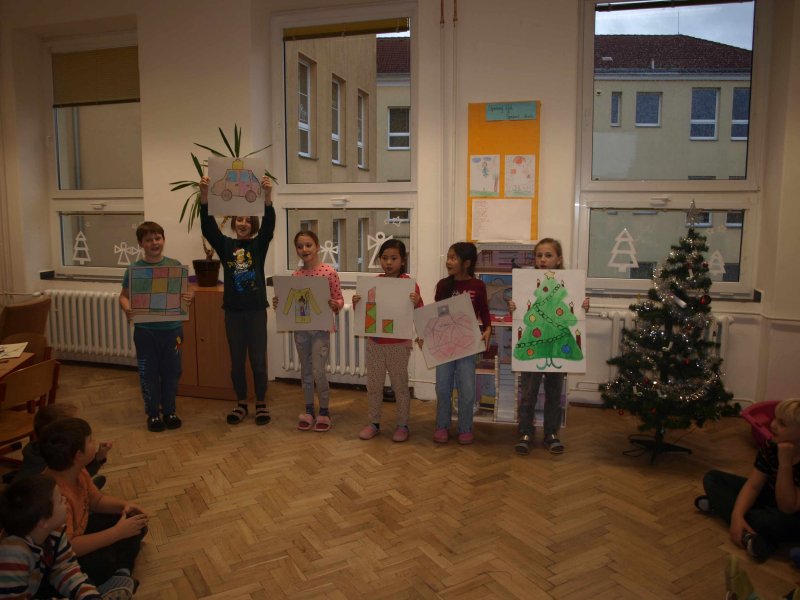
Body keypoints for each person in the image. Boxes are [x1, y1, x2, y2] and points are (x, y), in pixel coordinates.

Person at [199, 174, 275, 426]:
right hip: (233, 312)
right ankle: (241, 403)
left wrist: (267, 198)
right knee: (236, 363)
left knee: (258, 363)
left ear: (254, 224)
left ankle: (261, 403)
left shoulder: (258, 245)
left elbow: (269, 226)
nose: (243, 223)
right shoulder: (225, 244)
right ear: (234, 222)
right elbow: (208, 228)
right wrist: (204, 196)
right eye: (239, 219)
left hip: (256, 312)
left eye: (248, 220)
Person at [40, 418, 148, 588]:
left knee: (135, 522)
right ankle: (112, 580)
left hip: (81, 530)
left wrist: (124, 505)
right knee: (102, 563)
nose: (95, 442)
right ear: (78, 455)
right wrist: (116, 533)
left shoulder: (77, 469)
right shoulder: (56, 497)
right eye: (90, 440)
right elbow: (69, 547)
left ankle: (122, 573)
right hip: (63, 554)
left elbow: (96, 500)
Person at [508, 238, 589, 455]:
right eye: (539, 255)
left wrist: (583, 306)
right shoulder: (527, 283)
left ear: (559, 259)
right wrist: (514, 307)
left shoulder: (568, 283)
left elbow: (575, 311)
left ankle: (551, 433)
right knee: (528, 393)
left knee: (554, 394)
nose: (543, 260)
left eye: (548, 255)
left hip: (557, 347)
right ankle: (525, 432)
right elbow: (522, 310)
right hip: (535, 348)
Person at [695, 397, 800, 562]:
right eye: (775, 418)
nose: (773, 425)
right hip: (769, 496)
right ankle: (754, 535)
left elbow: (787, 507)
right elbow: (754, 486)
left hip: (792, 516)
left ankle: (723, 508)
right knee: (713, 479)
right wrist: (737, 516)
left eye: (782, 424)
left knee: (766, 521)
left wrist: (785, 463)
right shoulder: (771, 445)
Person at [119, 220, 193, 432]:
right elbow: (123, 296)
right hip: (146, 332)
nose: (154, 243)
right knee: (148, 373)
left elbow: (186, 292)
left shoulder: (174, 266)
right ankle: (152, 414)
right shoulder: (134, 270)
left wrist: (190, 296)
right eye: (149, 240)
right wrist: (127, 308)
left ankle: (169, 411)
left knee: (172, 372)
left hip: (172, 331)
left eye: (158, 238)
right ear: (141, 244)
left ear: (163, 240)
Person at [272, 230, 343, 432]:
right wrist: (278, 303)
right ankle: (309, 409)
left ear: (317, 246)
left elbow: (339, 299)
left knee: (318, 371)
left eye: (309, 245)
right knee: (305, 371)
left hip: (320, 330)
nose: (304, 249)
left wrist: (335, 304)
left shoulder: (329, 272)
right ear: (296, 250)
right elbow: (289, 304)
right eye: (300, 246)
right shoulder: (296, 276)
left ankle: (324, 411)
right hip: (301, 331)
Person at [352, 239, 423, 443]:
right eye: (384, 258)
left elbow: (419, 311)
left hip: (398, 345)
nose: (388, 262)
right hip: (375, 343)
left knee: (400, 387)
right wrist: (357, 303)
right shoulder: (374, 283)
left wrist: (417, 301)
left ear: (403, 261)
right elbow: (365, 314)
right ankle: (374, 422)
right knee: (374, 386)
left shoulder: (409, 284)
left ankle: (402, 425)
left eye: (394, 258)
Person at [0, 474, 105, 599]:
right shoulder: (13, 553)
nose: (65, 499)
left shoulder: (55, 530)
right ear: (43, 522)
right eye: (60, 500)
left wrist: (89, 596)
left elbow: (65, 570)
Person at [431, 242, 491, 445]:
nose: (448, 262)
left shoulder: (478, 286)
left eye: (453, 258)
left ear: (466, 263)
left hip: (467, 345)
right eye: (448, 257)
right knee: (442, 387)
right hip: (445, 343)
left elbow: (484, 310)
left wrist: (488, 328)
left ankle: (465, 428)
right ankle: (442, 425)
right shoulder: (443, 285)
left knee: (467, 388)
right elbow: (436, 314)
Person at [14, 403, 111, 489]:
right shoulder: (54, 466)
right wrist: (96, 461)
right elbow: (73, 477)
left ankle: (89, 488)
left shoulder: (41, 449)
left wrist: (99, 457)